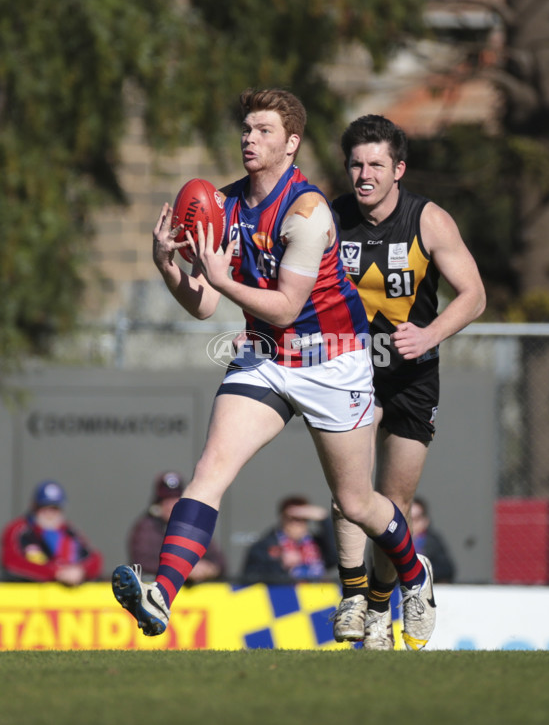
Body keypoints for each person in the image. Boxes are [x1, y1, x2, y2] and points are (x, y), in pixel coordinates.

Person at [110, 88, 433, 645]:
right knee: (211, 468)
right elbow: (206, 304)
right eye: (246, 129)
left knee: (356, 502)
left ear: (291, 143)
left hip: (333, 363)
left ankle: (414, 574)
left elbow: (285, 306)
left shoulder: (307, 212)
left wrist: (217, 277)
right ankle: (162, 593)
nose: (249, 139)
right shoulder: (224, 203)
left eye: (263, 130)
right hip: (265, 359)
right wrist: (167, 264)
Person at [330, 114, 486, 650]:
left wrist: (430, 334)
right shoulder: (329, 220)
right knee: (350, 494)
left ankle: (382, 601)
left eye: (376, 164)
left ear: (398, 169)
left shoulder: (429, 221)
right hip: (351, 370)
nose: (364, 174)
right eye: (356, 163)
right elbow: (295, 289)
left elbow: (474, 295)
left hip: (413, 375)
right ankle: (353, 596)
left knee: (391, 508)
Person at [128, 471, 226, 582]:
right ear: (158, 505)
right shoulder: (147, 527)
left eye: (177, 500)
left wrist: (208, 569)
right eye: (168, 501)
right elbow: (142, 562)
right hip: (156, 592)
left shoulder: (193, 527)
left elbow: (219, 562)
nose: (173, 505)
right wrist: (183, 569)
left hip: (196, 595)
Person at [1, 480, 103, 584]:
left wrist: (81, 571)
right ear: (35, 507)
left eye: (54, 508)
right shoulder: (20, 529)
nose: (49, 514)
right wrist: (55, 573)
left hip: (65, 597)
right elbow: (12, 562)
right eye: (44, 508)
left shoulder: (69, 531)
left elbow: (94, 559)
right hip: (26, 595)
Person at [241, 495, 337, 583]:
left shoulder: (316, 544)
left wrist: (324, 518)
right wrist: (280, 564)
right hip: (282, 598)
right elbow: (249, 578)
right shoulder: (264, 546)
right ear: (282, 518)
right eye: (292, 519)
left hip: (316, 597)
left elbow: (335, 555)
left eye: (303, 519)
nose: (297, 524)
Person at [410, 496, 455, 584]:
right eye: (408, 518)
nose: (412, 523)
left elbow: (446, 570)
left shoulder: (433, 542)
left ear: (425, 521)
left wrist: (423, 571)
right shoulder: (394, 542)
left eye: (416, 519)